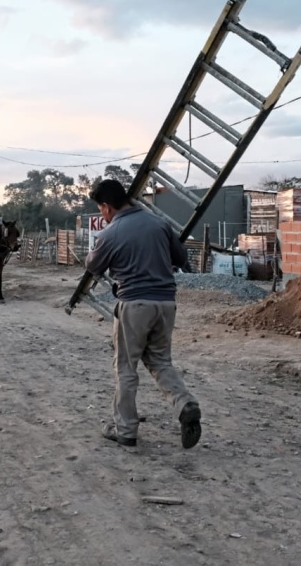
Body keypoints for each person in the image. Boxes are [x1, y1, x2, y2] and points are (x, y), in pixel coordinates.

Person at [85, 179, 202, 449]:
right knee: (160, 360)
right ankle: (185, 404)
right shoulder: (159, 224)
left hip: (134, 305)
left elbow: (93, 265)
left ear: (107, 206)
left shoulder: (111, 233)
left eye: (101, 209)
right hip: (166, 303)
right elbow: (181, 258)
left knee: (126, 367)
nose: (102, 214)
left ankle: (125, 430)